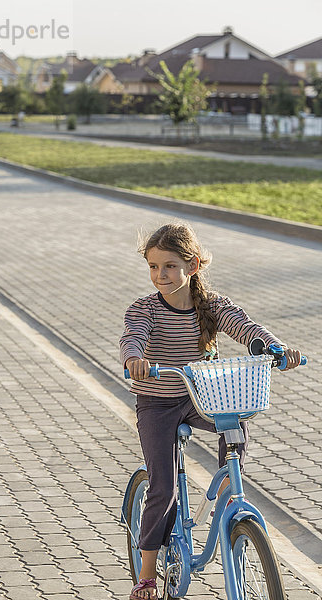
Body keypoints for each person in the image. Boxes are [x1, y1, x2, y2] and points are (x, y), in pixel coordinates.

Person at [120, 223, 302, 600]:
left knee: (235, 419)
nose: (160, 275)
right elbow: (133, 334)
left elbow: (245, 327)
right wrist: (134, 357)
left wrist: (275, 348)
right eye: (153, 267)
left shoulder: (212, 305)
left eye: (169, 266)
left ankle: (226, 483)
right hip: (157, 401)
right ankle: (148, 575)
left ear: (194, 265)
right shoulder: (146, 309)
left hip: (201, 396)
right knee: (164, 488)